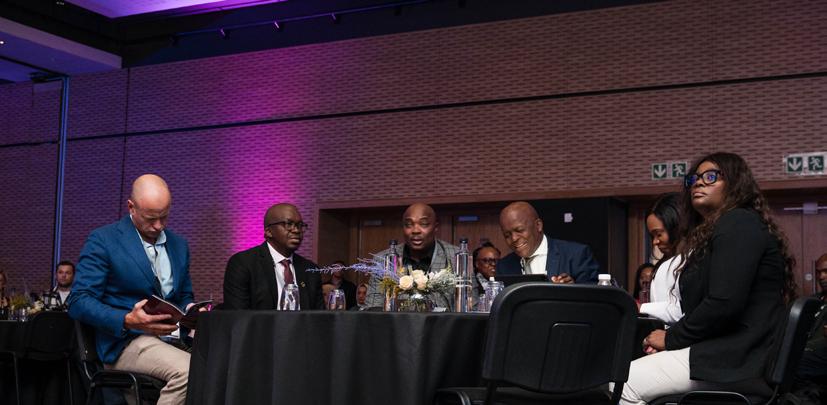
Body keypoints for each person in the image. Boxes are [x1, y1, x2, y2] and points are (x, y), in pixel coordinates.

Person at [616, 152, 798, 404]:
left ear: (735, 182)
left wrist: (671, 338)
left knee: (619, 383)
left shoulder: (737, 222)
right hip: (734, 355)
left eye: (711, 176)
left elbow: (723, 303)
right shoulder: (730, 226)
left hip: (736, 360)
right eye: (694, 179)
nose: (699, 182)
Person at [67, 174, 196, 405]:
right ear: (131, 207)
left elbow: (184, 295)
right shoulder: (104, 240)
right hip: (125, 342)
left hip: (173, 339)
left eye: (164, 216)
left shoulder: (179, 245)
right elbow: (78, 300)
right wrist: (127, 320)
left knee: (221, 366)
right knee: (188, 371)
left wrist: (192, 311)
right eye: (151, 218)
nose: (159, 226)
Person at [223, 203, 323, 310]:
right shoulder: (243, 263)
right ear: (269, 231)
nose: (296, 230)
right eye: (288, 224)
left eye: (300, 225)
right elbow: (238, 315)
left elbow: (319, 316)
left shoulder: (310, 270)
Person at [364, 203, 460, 309]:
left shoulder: (456, 257)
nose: (415, 230)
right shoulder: (383, 260)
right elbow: (373, 307)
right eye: (409, 224)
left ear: (435, 227)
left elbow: (469, 306)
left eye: (424, 224)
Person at [496, 201, 599, 284]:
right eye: (507, 235)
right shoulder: (504, 267)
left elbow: (594, 298)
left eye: (519, 230)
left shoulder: (576, 255)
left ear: (538, 225)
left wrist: (572, 291)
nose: (514, 239)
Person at [639, 192, 684, 325]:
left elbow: (682, 311)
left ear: (676, 227)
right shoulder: (667, 262)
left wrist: (641, 308)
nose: (655, 242)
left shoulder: (691, 260)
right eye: (652, 236)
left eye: (659, 234)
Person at [796, 253, 827, 385]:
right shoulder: (812, 301)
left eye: (826, 271)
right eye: (819, 272)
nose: (821, 276)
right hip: (807, 353)